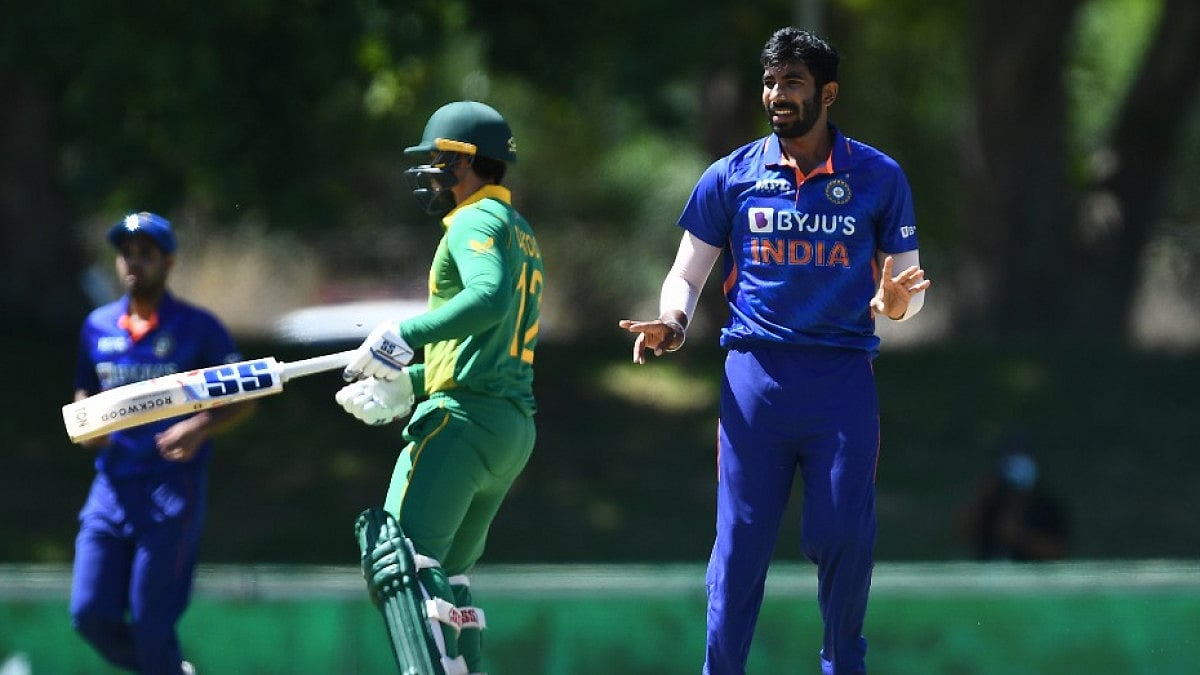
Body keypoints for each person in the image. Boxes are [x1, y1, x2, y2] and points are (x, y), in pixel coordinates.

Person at [619, 27, 931, 675]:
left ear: (829, 92)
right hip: (753, 381)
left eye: (792, 82)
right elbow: (687, 272)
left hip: (840, 381)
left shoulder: (879, 177)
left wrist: (897, 304)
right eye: (769, 81)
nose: (776, 94)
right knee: (740, 548)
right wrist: (673, 319)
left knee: (843, 534)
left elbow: (908, 286)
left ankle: (843, 664)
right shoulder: (730, 176)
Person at [335, 100, 543, 675]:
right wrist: (412, 383)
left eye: (437, 158)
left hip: (465, 424)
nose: (428, 170)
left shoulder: (475, 220)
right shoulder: (518, 229)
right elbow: (485, 347)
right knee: (446, 579)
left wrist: (402, 334)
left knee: (398, 561)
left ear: (468, 162)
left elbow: (487, 300)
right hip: (508, 430)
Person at [69, 211, 255, 675]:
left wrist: (201, 425)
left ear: (168, 262)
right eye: (126, 254)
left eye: (145, 254)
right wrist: (88, 424)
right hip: (111, 486)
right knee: (88, 614)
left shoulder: (198, 327)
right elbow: (85, 390)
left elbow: (244, 394)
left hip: (172, 488)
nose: (134, 263)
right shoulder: (97, 327)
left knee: (153, 622)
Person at [958, 436, 1070, 561]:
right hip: (989, 576)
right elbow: (962, 533)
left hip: (1032, 577)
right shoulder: (990, 502)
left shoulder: (1048, 507)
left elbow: (1057, 553)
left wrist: (1019, 536)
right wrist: (982, 495)